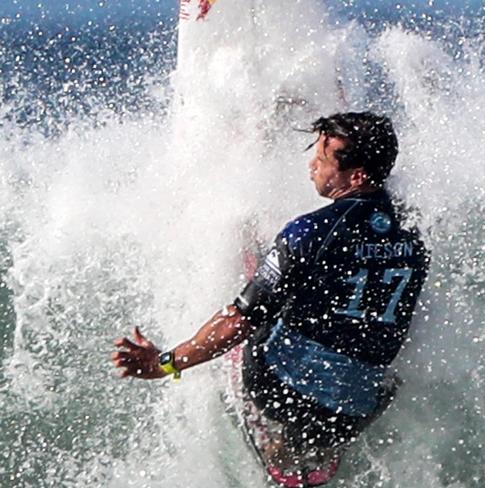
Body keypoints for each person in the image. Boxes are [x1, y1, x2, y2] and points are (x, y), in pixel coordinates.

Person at [112, 112, 429, 481]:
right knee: (380, 361)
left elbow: (236, 323)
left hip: (280, 389)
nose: (313, 165)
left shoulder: (308, 231)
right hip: (356, 412)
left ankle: (282, 440)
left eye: (323, 159)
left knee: (264, 314)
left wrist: (165, 362)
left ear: (356, 176)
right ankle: (320, 442)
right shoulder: (414, 227)